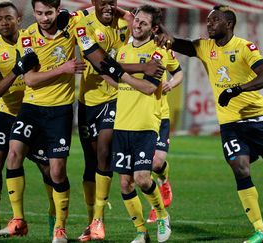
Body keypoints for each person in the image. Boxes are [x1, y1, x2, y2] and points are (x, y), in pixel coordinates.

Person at [155, 5, 263, 243]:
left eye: (214, 20)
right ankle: (261, 231)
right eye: (208, 20)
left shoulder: (244, 47)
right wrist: (157, 24)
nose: (209, 24)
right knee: (240, 168)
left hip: (257, 120)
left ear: (229, 24)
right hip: (230, 124)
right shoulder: (203, 47)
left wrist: (236, 89)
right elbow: (172, 41)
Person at [69, 1, 165, 241]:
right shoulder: (82, 23)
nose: (108, 6)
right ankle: (93, 221)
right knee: (92, 163)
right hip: (89, 99)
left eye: (113, 1)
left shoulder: (129, 23)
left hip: (117, 100)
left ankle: (99, 219)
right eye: (102, 1)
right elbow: (100, 62)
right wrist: (144, 67)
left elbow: (147, 25)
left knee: (104, 151)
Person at [0, 1, 87, 243]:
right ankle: (17, 220)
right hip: (32, 107)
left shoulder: (72, 24)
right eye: (39, 13)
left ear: (58, 11)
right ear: (33, 12)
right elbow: (31, 80)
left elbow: (92, 11)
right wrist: (64, 68)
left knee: (57, 171)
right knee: (13, 152)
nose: (44, 18)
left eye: (48, 13)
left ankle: (60, 228)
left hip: (60, 111)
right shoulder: (27, 38)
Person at [0, 2, 55, 241]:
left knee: (50, 169)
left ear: (19, 19)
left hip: (35, 112)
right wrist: (16, 70)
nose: (4, 23)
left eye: (9, 18)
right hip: (7, 114)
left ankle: (55, 221)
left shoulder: (33, 40)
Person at [102, 4, 173, 243]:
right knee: (124, 183)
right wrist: (104, 72)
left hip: (145, 124)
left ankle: (162, 215)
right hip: (122, 124)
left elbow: (149, 87)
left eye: (143, 23)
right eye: (136, 21)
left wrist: (119, 74)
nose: (137, 25)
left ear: (154, 29)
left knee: (143, 178)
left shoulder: (159, 52)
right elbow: (119, 84)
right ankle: (141, 232)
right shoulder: (121, 51)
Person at [147, 50, 184, 223]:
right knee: (141, 169)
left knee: (156, 163)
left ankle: (164, 180)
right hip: (136, 117)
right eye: (134, 20)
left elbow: (178, 72)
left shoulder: (162, 50)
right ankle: (155, 207)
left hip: (160, 115)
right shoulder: (125, 47)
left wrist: (171, 83)